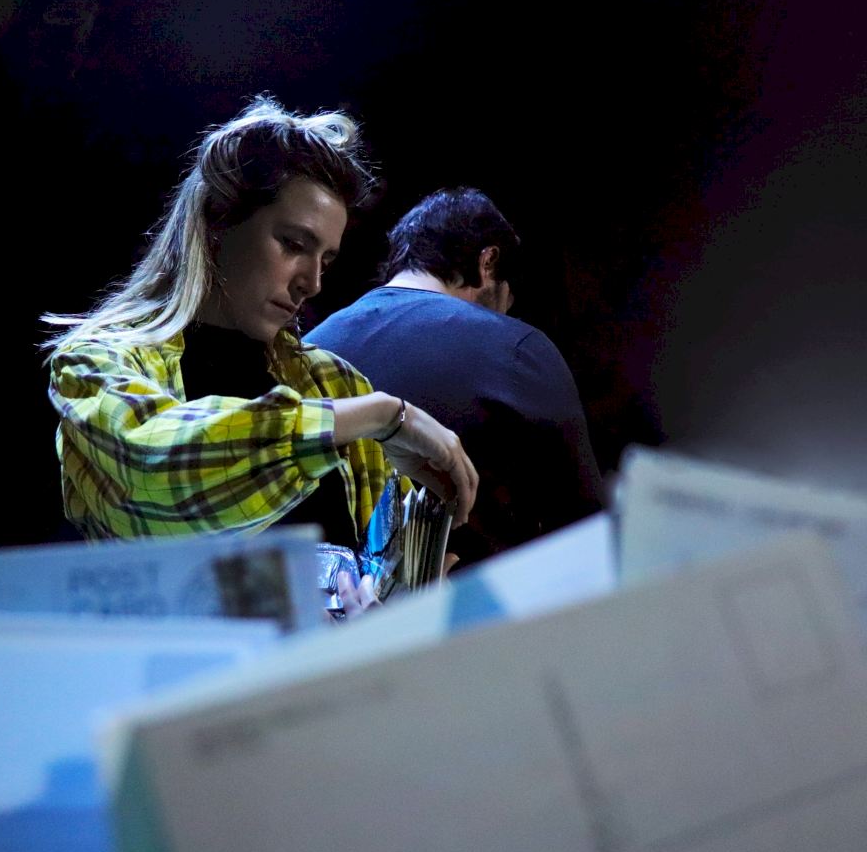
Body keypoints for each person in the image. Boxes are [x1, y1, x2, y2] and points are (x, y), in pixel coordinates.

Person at [44, 97, 478, 568]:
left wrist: (407, 581)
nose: (313, 282)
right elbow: (153, 473)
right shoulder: (95, 362)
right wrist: (384, 415)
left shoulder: (336, 384)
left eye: (327, 259)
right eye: (294, 244)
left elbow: (380, 568)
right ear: (217, 221)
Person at [307, 187, 603, 566]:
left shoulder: (305, 350)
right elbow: (586, 529)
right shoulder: (515, 347)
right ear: (488, 263)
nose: (501, 317)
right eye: (504, 302)